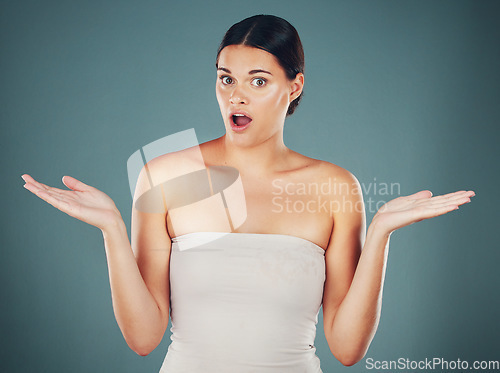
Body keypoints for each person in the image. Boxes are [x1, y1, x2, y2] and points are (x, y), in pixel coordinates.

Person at [21, 14, 475, 373]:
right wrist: (112, 230)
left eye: (258, 81)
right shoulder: (164, 175)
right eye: (226, 78)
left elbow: (347, 348)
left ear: (293, 86)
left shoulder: (335, 187)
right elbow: (144, 339)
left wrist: (379, 235)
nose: (236, 96)